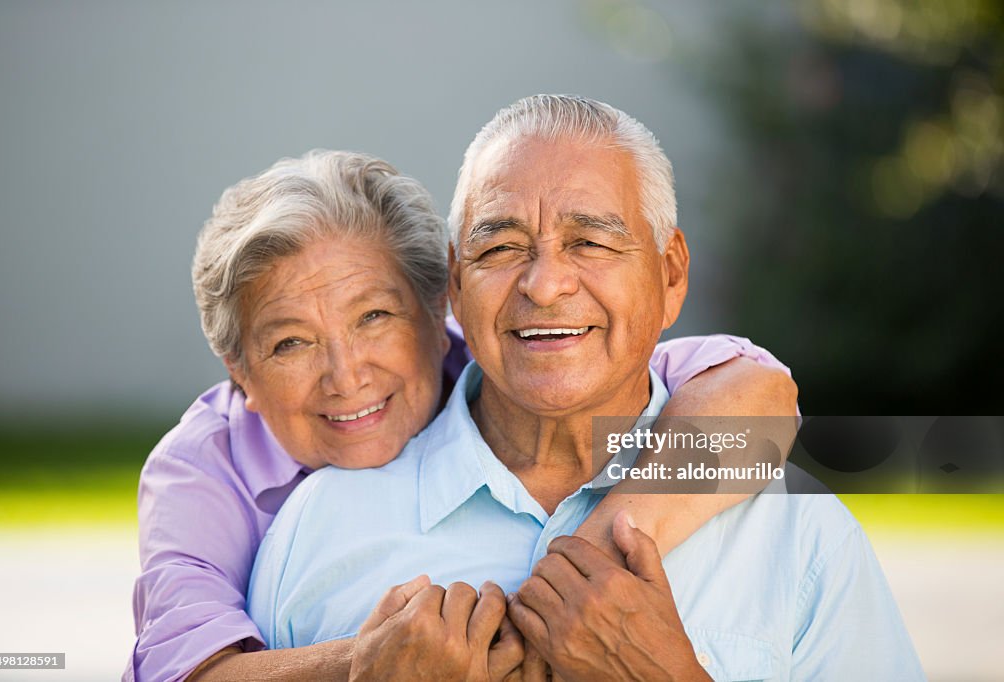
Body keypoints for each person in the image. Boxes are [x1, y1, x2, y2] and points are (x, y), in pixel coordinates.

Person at [247, 95, 924, 680]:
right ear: (455, 285)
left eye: (590, 242)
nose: (545, 284)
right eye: (501, 247)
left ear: (670, 275)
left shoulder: (800, 536)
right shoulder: (320, 525)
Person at [127, 150, 798, 682]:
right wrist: (368, 666)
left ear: (438, 312)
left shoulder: (508, 359)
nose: (347, 373)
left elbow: (759, 399)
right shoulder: (202, 469)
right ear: (239, 373)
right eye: (290, 343)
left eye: (375, 317)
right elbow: (181, 670)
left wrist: (593, 556)